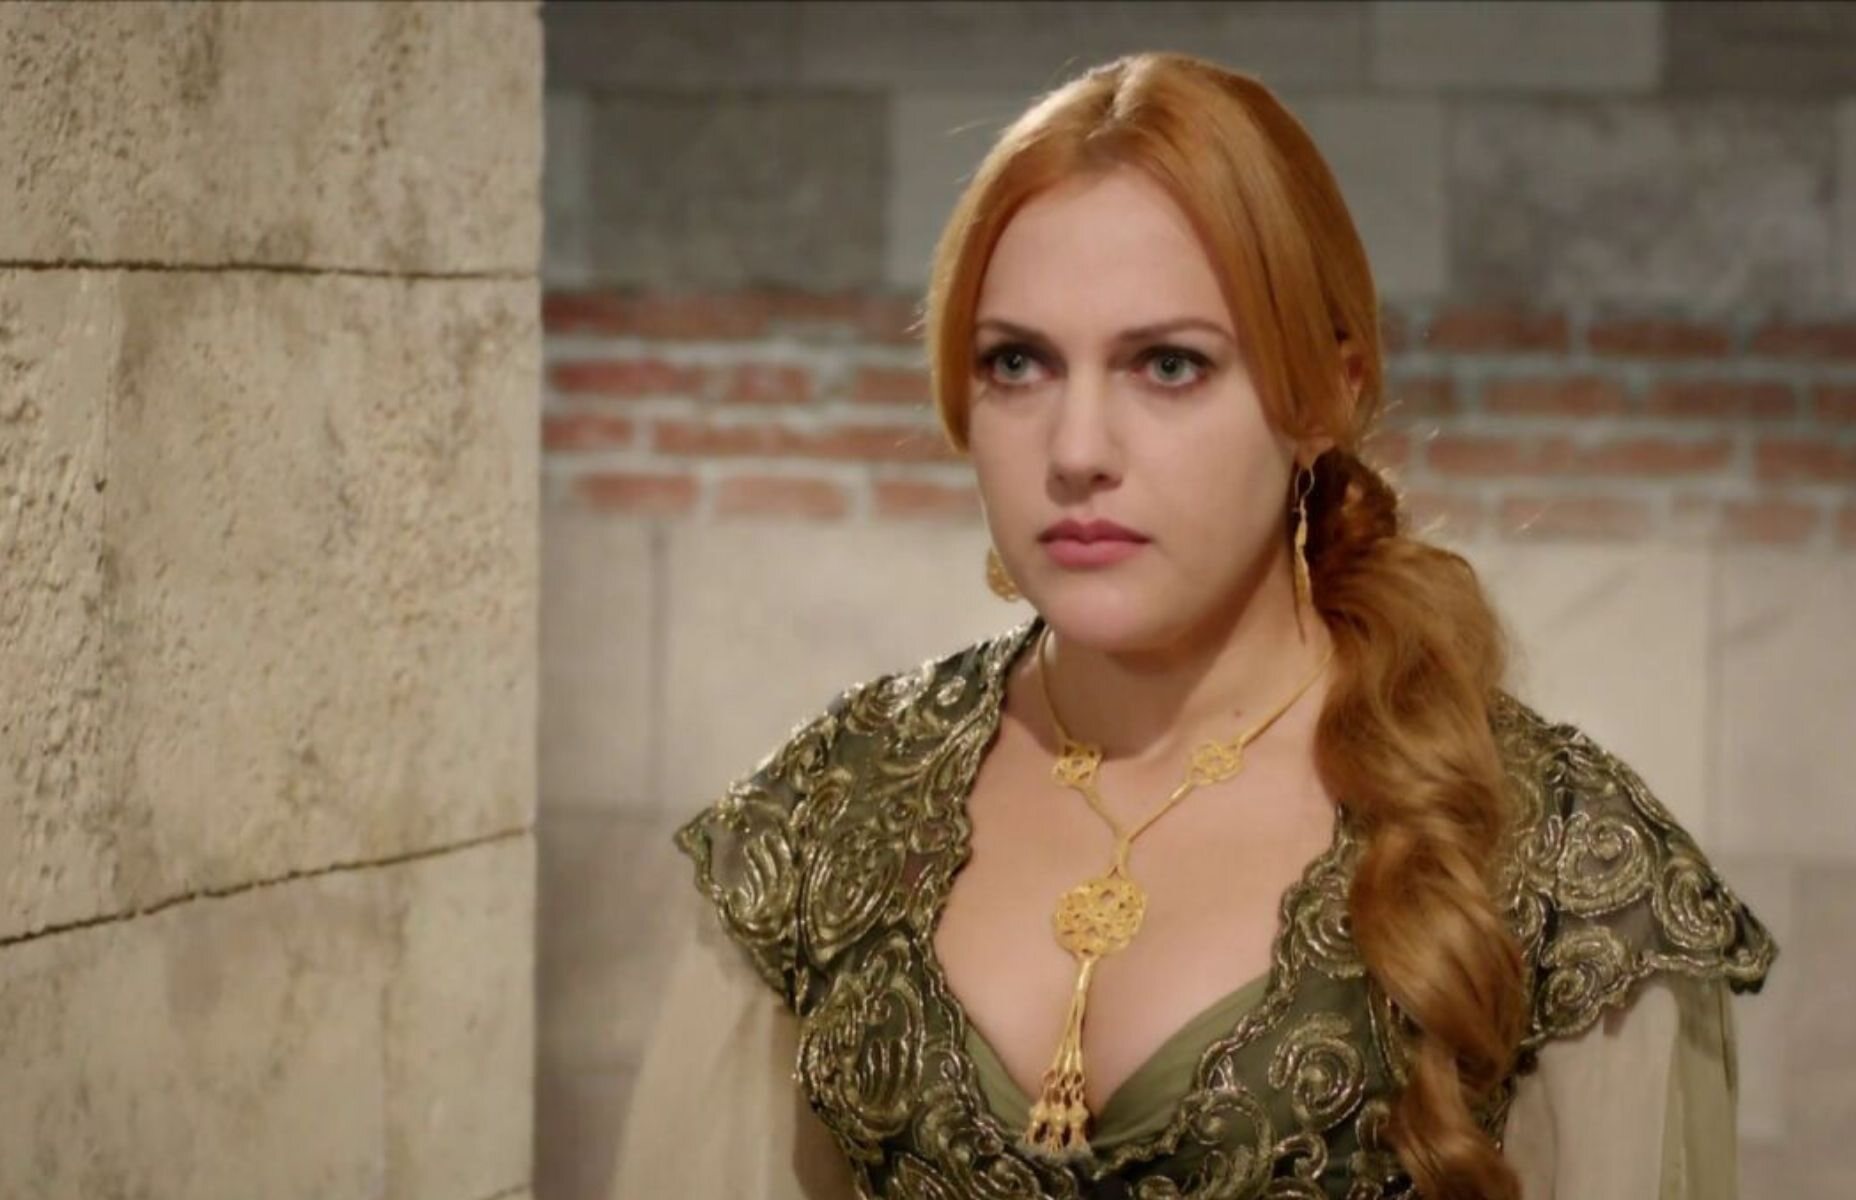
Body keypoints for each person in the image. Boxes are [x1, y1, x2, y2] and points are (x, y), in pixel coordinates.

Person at [608, 51, 1774, 1200]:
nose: (1075, 451)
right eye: (1016, 363)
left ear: (1325, 397)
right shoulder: (832, 810)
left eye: (1167, 365)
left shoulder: (1555, 859)